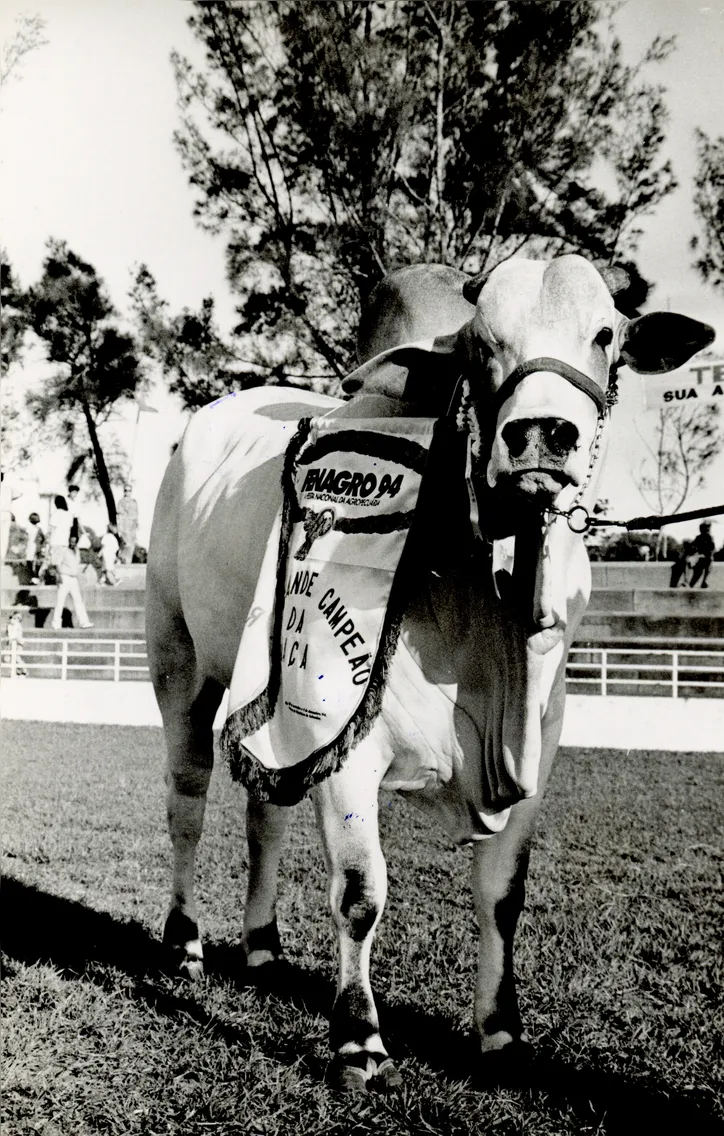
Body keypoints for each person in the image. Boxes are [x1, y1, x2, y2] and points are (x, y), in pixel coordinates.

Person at [50, 534, 94, 629]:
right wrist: (58, 576)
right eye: (71, 541)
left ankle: (84, 622)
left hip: (73, 579)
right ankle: (56, 623)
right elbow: (57, 563)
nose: (72, 543)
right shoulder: (63, 550)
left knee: (78, 601)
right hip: (64, 577)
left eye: (74, 542)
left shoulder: (77, 551)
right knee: (60, 601)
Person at [48, 495, 73, 571]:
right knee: (61, 561)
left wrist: (48, 542)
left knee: (54, 562)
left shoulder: (56, 514)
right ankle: (61, 579)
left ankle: (57, 579)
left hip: (55, 541)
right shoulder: (69, 515)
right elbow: (70, 528)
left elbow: (52, 529)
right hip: (65, 541)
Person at [116, 484, 139, 564]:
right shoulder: (121, 502)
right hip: (125, 526)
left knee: (131, 545)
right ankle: (121, 559)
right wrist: (119, 529)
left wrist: (137, 524)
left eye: (129, 490)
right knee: (125, 543)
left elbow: (136, 514)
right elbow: (119, 516)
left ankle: (128, 561)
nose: (127, 492)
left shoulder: (134, 502)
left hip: (132, 526)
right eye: (125, 490)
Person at [689, 521, 715, 589]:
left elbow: (712, 548)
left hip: (705, 557)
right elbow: (693, 546)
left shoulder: (708, 537)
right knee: (699, 572)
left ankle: (702, 582)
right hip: (702, 557)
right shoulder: (701, 537)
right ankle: (695, 583)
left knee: (704, 569)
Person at [4, 610, 27, 676]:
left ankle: (24, 670)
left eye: (18, 618)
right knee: (7, 659)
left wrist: (13, 639)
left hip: (17, 644)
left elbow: (16, 635)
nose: (16, 620)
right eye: (14, 618)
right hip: (10, 644)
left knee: (17, 657)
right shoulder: (9, 626)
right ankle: (18, 671)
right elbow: (8, 635)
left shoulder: (18, 625)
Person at [26, 512, 46, 583]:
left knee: (30, 561)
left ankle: (33, 576)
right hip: (35, 545)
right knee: (35, 561)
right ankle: (35, 575)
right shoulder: (38, 528)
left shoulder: (28, 528)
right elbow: (44, 538)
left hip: (30, 545)